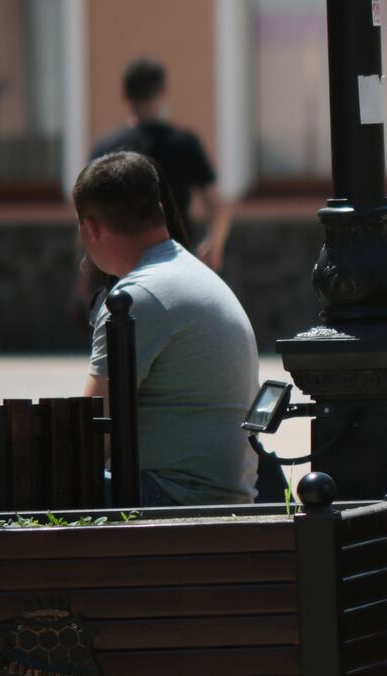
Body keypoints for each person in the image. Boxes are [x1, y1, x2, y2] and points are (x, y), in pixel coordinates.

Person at [75, 151, 259, 506]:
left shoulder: (134, 298)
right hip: (221, 496)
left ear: (92, 228)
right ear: (157, 208)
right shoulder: (191, 273)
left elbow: (87, 435)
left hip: (172, 497)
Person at [91, 58, 232, 270]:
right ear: (163, 91)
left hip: (123, 265)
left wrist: (85, 274)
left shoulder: (107, 148)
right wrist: (213, 247)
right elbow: (217, 207)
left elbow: (90, 216)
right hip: (178, 259)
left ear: (125, 94)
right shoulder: (184, 143)